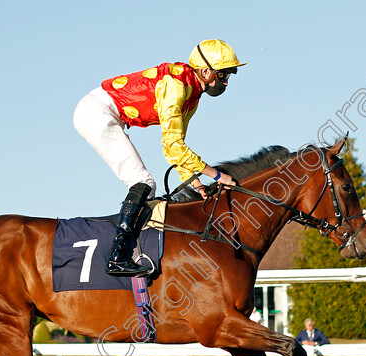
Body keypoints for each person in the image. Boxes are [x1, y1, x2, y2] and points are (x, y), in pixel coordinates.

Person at [74, 39, 244, 277]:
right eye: (223, 74)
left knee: (146, 184)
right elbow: (172, 146)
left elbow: (176, 146)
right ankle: (118, 256)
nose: (226, 81)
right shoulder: (176, 86)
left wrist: (194, 180)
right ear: (205, 71)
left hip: (107, 113)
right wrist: (216, 175)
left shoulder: (193, 96)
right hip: (96, 113)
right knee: (143, 182)